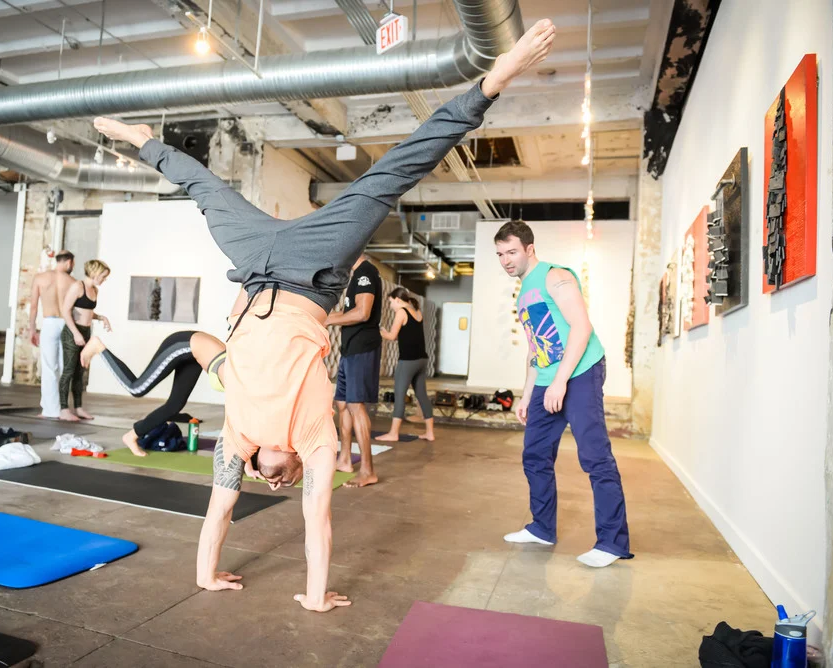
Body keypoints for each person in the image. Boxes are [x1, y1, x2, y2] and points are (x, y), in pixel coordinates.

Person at [94, 18, 556, 612]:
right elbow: (318, 520)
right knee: (393, 174)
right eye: (275, 480)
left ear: (254, 462)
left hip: (258, 261)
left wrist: (206, 572)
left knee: (205, 191)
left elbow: (219, 506)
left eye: (265, 477)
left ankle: (143, 140)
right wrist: (315, 597)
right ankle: (496, 80)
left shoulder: (237, 432)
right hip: (313, 269)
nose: (273, 481)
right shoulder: (310, 438)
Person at [494, 220, 632, 568]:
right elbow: (535, 348)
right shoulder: (523, 292)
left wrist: (561, 382)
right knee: (535, 454)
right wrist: (527, 394)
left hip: (581, 372)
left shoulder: (555, 277)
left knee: (595, 458)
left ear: (529, 249)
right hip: (548, 378)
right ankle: (542, 528)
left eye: (511, 252)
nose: (506, 260)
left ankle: (613, 543)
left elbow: (582, 328)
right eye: (500, 254)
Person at [80, 330, 227, 458]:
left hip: (194, 354)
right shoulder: (234, 378)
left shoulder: (240, 383)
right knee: (137, 389)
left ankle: (131, 436)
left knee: (175, 405)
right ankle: (98, 346)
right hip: (183, 344)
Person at [324, 254, 381, 488]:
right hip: (350, 348)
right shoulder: (356, 275)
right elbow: (350, 312)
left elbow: (362, 313)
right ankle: (345, 459)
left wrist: (329, 320)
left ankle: (368, 470)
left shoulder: (366, 272)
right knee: (343, 404)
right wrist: (323, 318)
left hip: (363, 348)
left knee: (356, 406)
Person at [375, 287, 435, 442]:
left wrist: (378, 331)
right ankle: (429, 433)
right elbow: (402, 336)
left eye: (390, 302)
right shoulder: (417, 312)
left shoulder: (401, 312)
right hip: (422, 360)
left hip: (408, 361)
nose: (390, 306)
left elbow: (391, 336)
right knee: (422, 395)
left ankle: (393, 433)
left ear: (397, 299)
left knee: (400, 396)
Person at [59, 259, 111, 422]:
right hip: (72, 332)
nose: (104, 279)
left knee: (80, 372)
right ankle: (63, 409)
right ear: (95, 273)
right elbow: (65, 311)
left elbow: (86, 311)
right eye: (103, 276)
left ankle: (79, 407)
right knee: (68, 371)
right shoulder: (77, 286)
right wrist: (75, 333)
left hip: (85, 332)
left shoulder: (94, 289)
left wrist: (100, 317)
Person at [29, 250, 76, 418]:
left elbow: (34, 307)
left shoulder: (40, 278)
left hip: (49, 323)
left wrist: (32, 329)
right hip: (66, 322)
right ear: (69, 262)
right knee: (64, 368)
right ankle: (61, 408)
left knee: (49, 367)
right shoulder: (73, 282)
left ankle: (50, 410)